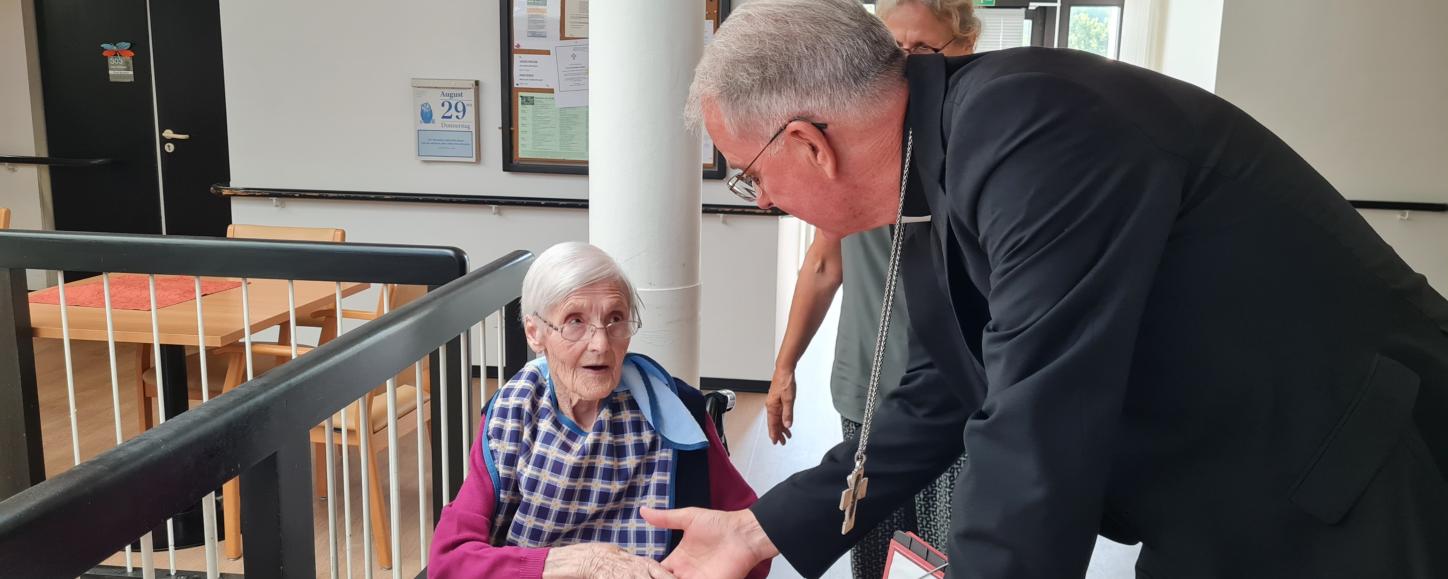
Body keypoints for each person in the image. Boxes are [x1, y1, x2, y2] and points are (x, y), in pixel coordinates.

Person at [642, 0, 1448, 577]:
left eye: (751, 178)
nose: (768, 201)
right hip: (1219, 491)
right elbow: (944, 393)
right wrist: (761, 529)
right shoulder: (937, 158)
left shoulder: (1037, 132)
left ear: (809, 145)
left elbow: (1036, 427)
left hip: (1344, 476)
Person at [766, 1, 977, 576]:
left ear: (965, 46)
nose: (906, 66)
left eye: (923, 50)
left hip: (957, 398)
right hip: (867, 386)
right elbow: (823, 265)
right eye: (893, 52)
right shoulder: (856, 145)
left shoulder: (980, 151)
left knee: (946, 558)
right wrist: (785, 366)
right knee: (873, 550)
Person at [429, 242, 768, 579]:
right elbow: (449, 561)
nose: (601, 344)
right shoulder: (512, 413)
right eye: (575, 321)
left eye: (615, 319)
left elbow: (748, 538)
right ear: (535, 333)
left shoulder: (677, 411)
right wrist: (579, 562)